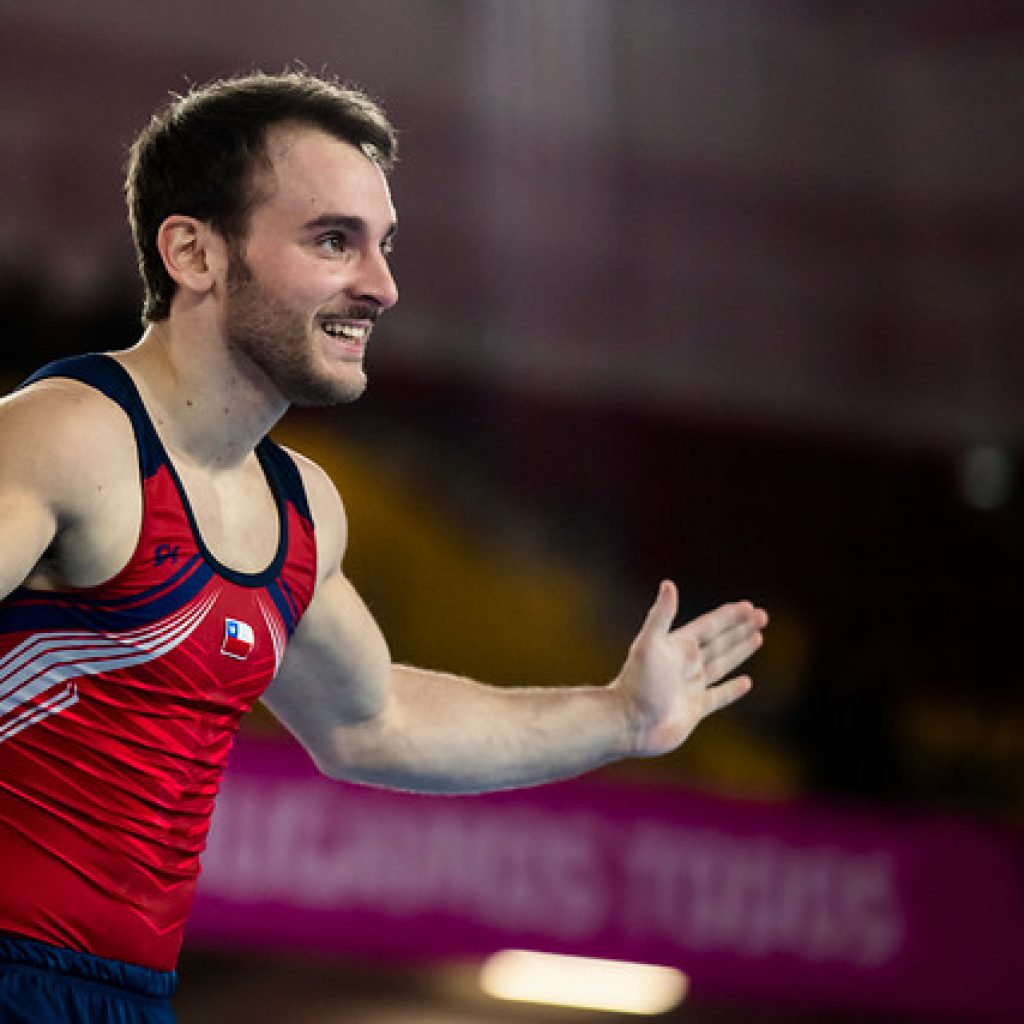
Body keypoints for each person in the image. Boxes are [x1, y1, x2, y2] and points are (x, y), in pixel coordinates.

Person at [0, 70, 768, 1022]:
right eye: (334, 240)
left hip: (125, 998)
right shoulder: (68, 435)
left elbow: (376, 721)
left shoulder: (299, 512)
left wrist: (616, 718)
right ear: (194, 252)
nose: (382, 285)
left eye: (383, 246)